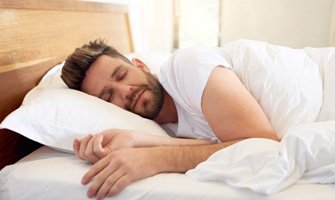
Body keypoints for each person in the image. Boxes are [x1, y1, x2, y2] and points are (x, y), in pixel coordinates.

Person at [61, 39, 278, 199]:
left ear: (141, 65)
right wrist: (136, 140)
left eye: (122, 75)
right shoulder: (165, 128)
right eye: (108, 96)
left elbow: (262, 146)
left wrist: (155, 159)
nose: (125, 91)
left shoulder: (186, 66)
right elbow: (220, 145)